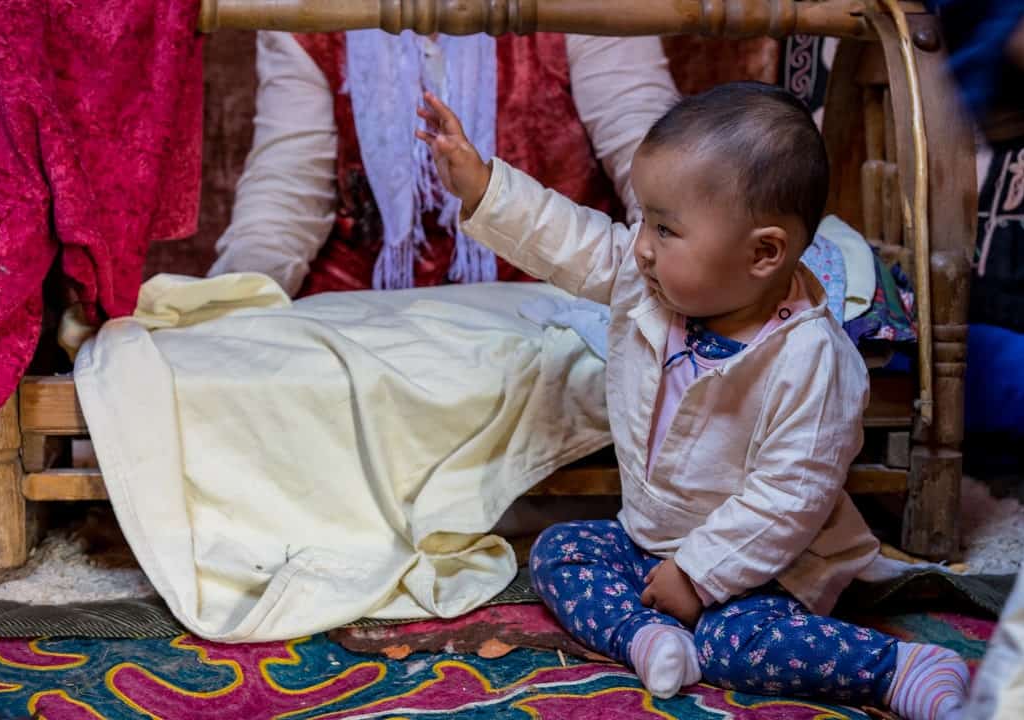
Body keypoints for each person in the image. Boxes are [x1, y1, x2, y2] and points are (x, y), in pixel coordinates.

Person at [415, 82, 970, 718]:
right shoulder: (652, 285)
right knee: (558, 551)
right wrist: (484, 185)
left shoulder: (812, 360)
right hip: (647, 539)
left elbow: (788, 498)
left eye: (667, 229)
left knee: (739, 642)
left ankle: (896, 668)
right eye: (644, 221)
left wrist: (698, 575)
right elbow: (574, 241)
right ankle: (646, 636)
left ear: (763, 253)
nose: (642, 246)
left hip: (764, 568)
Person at [206, 30, 680, 296]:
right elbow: (284, 198)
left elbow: (654, 163)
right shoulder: (310, 16)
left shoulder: (582, 12)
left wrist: (661, 285)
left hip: (549, 301)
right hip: (362, 313)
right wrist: (230, 308)